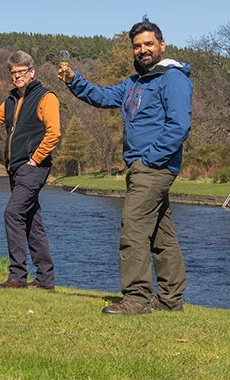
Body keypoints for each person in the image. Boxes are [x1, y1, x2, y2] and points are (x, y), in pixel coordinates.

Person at [58, 17, 191, 314]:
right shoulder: (134, 83)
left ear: (162, 45)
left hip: (154, 167)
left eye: (148, 44)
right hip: (140, 167)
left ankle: (137, 299)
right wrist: (74, 81)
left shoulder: (173, 78)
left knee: (132, 228)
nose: (143, 50)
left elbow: (179, 126)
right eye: (137, 46)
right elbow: (103, 96)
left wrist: (150, 159)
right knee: (160, 232)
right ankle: (171, 299)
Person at [0, 51, 61, 290]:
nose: (17, 77)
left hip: (32, 167)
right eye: (13, 73)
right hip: (15, 170)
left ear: (32, 72)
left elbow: (54, 133)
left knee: (12, 213)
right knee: (31, 221)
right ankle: (45, 279)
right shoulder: (10, 101)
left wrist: (35, 160)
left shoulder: (46, 97)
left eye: (21, 72)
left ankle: (17, 276)